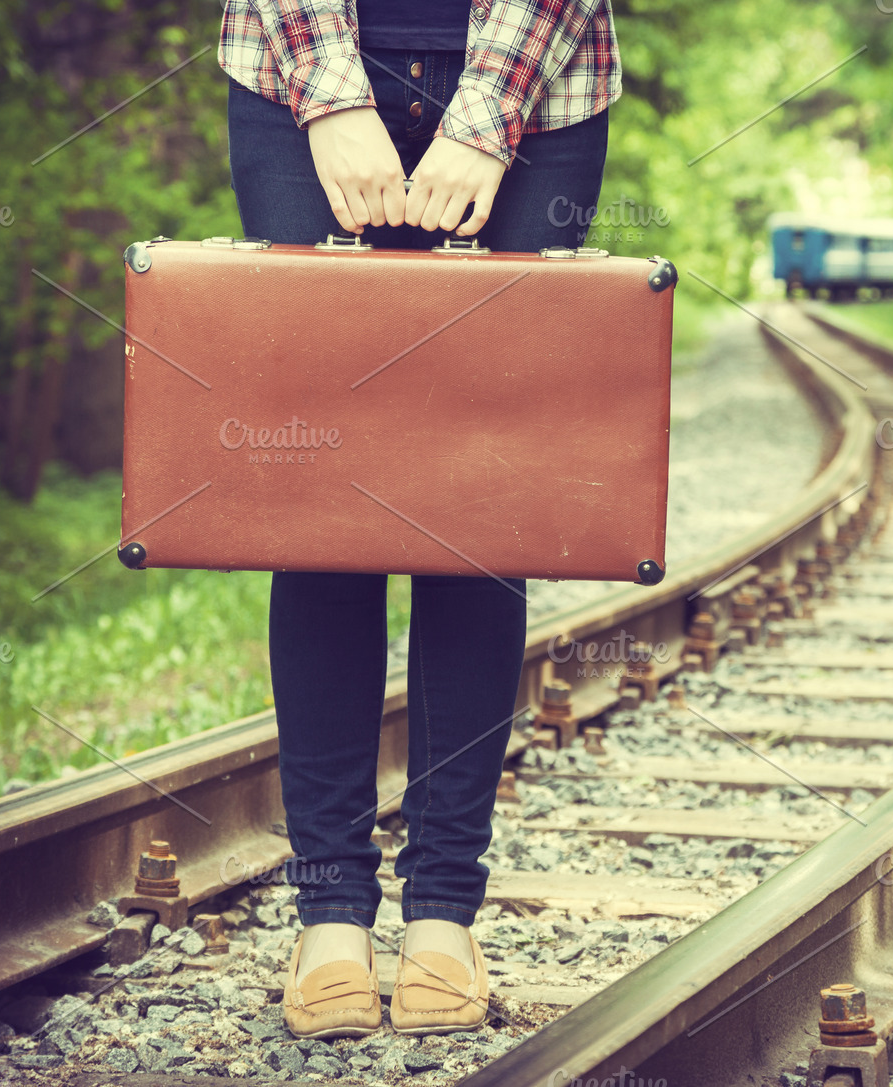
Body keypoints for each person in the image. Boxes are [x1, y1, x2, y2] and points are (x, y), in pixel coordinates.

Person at [218, 0, 620, 1038]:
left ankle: (444, 912)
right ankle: (331, 918)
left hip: (543, 71)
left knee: (477, 506)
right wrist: (332, 93)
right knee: (323, 493)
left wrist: (485, 109)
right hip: (296, 59)